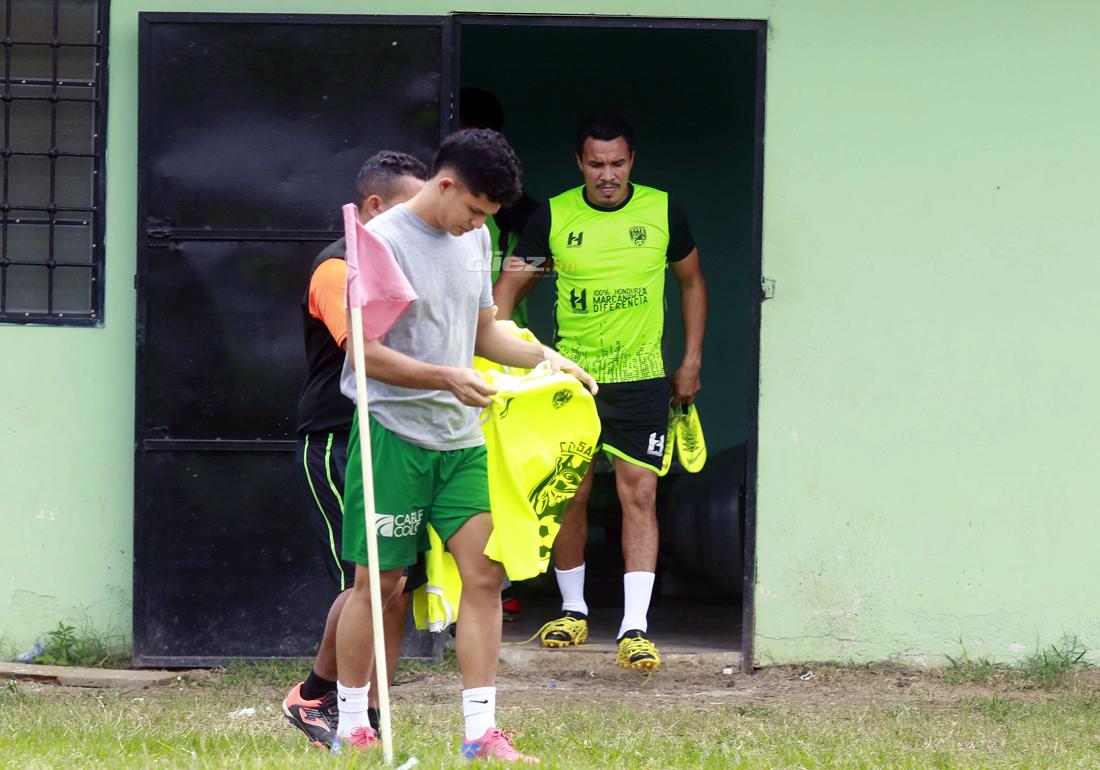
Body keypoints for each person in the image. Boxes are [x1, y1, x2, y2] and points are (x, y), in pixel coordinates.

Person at [331, 128, 596, 762]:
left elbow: (484, 334)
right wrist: (444, 376)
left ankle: (480, 734)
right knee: (382, 583)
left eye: (487, 217)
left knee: (484, 572)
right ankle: (348, 724)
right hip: (392, 435)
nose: (478, 224)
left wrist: (544, 360)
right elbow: (361, 356)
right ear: (445, 184)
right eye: (474, 210)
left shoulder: (475, 236)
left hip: (461, 442)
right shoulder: (381, 243)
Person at [493, 114, 708, 672]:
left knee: (640, 494)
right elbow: (507, 292)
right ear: (580, 163)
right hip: (571, 381)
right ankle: (572, 610)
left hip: (641, 377)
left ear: (632, 161)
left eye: (617, 164)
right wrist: (509, 363)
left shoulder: (663, 211)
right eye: (596, 164)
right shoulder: (554, 216)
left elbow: (692, 282)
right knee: (571, 493)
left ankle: (635, 626)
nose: (607, 174)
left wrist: (690, 360)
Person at [282, 151, 429, 749]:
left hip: (390, 439)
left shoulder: (402, 264)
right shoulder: (334, 268)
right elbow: (363, 348)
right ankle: (315, 695)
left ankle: (369, 715)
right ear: (373, 208)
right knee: (368, 581)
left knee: (397, 584)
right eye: (407, 210)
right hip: (334, 442)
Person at [458, 86, 542, 620]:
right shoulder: (436, 215)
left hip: (502, 350)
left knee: (508, 468)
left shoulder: (522, 212)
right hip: (449, 355)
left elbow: (534, 271)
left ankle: (500, 581)